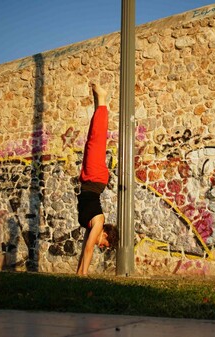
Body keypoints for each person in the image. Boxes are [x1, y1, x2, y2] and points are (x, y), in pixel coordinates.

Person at [76, 82, 119, 276]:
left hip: (88, 179)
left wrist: (79, 273)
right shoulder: (98, 222)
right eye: (105, 243)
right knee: (97, 139)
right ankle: (102, 99)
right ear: (106, 235)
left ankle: (99, 105)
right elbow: (90, 249)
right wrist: (85, 276)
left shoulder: (91, 225)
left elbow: (85, 247)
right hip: (95, 177)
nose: (101, 245)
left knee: (90, 141)